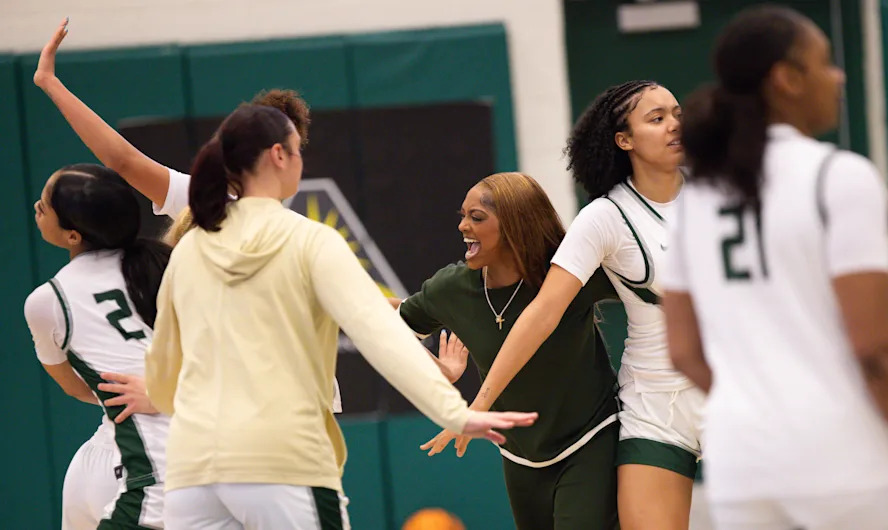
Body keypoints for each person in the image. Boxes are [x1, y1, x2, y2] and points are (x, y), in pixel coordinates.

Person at [145, 104, 536, 529]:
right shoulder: (310, 240)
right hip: (282, 461)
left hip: (191, 471)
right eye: (297, 149)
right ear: (279, 155)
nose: (300, 158)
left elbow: (164, 372)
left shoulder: (187, 249)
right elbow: (380, 334)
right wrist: (455, 413)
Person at [663, 5, 888, 529]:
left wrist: (758, 408)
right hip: (841, 462)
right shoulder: (839, 175)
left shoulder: (696, 197)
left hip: (741, 468)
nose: (837, 76)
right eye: (825, 62)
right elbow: (877, 349)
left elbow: (684, 351)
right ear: (787, 79)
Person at [32, 19, 346, 412]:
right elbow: (121, 159)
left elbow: (121, 159)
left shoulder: (286, 234)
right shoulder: (207, 201)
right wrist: (50, 82)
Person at [459, 81, 697, 529]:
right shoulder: (605, 217)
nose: (674, 125)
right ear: (623, 140)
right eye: (657, 118)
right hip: (658, 404)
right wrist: (479, 401)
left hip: (738, 390)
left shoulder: (724, 195)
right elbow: (543, 313)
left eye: (677, 113)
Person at [402, 172, 620, 529]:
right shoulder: (451, 288)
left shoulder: (570, 275)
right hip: (519, 456)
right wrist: (438, 372)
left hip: (591, 440)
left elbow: (655, 288)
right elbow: (389, 330)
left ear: (516, 225)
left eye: (476, 217)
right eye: (462, 216)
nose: (462, 226)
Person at [24, 163, 171, 529]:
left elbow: (75, 386)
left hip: (136, 470)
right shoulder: (161, 263)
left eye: (46, 202)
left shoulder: (47, 301)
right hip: (145, 459)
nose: (37, 206)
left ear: (74, 236)